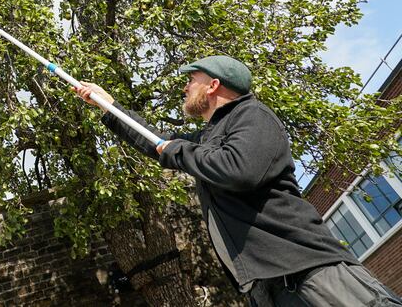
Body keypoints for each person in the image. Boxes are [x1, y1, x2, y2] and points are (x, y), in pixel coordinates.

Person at [73, 55, 402, 306]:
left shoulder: (252, 116)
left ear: (213, 85)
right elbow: (158, 142)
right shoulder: (209, 139)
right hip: (265, 286)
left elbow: (237, 170)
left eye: (192, 80)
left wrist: (177, 149)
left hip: (311, 271)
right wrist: (109, 107)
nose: (185, 87)